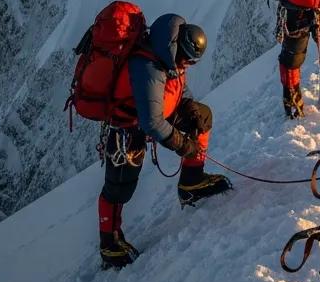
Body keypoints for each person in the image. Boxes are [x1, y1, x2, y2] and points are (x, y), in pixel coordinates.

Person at [98, 13, 231, 268]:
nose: (188, 65)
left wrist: (189, 106)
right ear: (178, 48)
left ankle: (192, 181)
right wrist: (184, 145)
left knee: (201, 117)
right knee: (119, 186)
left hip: (160, 113)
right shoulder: (148, 68)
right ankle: (109, 242)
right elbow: (151, 123)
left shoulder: (170, 57)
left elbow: (179, 88)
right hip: (127, 128)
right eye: (187, 60)